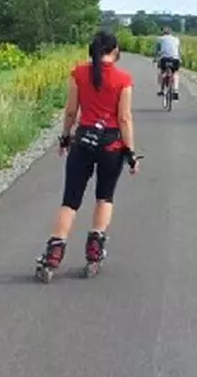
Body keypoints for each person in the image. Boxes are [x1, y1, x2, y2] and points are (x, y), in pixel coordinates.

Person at [36, 30, 141, 272]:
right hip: (111, 145)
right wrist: (131, 152)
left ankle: (54, 251)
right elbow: (124, 118)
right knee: (104, 197)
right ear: (115, 51)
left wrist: (65, 137)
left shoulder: (79, 74)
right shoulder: (123, 79)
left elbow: (71, 111)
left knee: (70, 199)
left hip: (82, 142)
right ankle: (94, 248)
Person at [153, 25, 181, 100]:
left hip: (164, 59)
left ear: (163, 33)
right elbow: (179, 51)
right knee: (175, 73)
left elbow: (157, 51)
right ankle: (176, 91)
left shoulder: (160, 39)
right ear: (171, 33)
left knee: (162, 72)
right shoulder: (176, 39)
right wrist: (180, 59)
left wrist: (155, 58)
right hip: (175, 59)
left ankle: (162, 90)